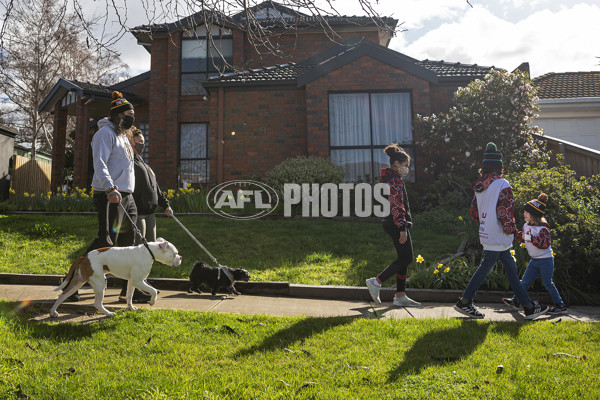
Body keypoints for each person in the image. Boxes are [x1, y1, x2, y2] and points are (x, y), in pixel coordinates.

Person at [65, 91, 149, 303]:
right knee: (105, 240)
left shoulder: (123, 136)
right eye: (128, 114)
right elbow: (100, 164)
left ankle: (127, 291)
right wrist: (110, 188)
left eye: (133, 114)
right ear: (118, 115)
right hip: (110, 194)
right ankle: (70, 283)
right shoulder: (105, 134)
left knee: (129, 244)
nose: (132, 118)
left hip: (126, 196)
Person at [454, 142, 549, 320]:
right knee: (486, 268)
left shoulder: (479, 186)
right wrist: (513, 231)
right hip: (499, 234)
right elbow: (505, 213)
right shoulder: (502, 184)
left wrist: (486, 223)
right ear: (500, 167)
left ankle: (528, 307)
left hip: (486, 232)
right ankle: (465, 301)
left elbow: (474, 211)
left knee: (510, 268)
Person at [366, 144, 421, 307]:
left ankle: (400, 295)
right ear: (396, 164)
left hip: (390, 222)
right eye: (405, 165)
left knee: (403, 258)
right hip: (396, 223)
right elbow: (397, 205)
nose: (406, 169)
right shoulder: (394, 181)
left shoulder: (388, 178)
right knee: (407, 257)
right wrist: (402, 227)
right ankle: (376, 282)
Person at [502, 193, 567, 314]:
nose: (524, 214)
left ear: (535, 215)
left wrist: (528, 237)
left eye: (527, 212)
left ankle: (560, 306)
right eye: (524, 212)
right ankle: (516, 301)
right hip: (534, 260)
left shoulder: (543, 228)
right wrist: (512, 231)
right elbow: (522, 237)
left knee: (548, 283)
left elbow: (544, 243)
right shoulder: (526, 226)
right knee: (524, 282)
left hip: (546, 260)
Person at [130, 127, 173, 244]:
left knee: (151, 246)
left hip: (150, 213)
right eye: (139, 142)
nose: (142, 145)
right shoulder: (129, 161)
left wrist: (166, 205)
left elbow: (155, 187)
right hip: (138, 213)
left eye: (143, 142)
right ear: (130, 141)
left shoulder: (142, 162)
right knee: (139, 247)